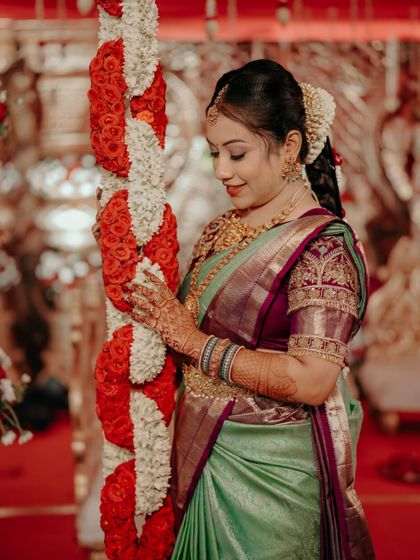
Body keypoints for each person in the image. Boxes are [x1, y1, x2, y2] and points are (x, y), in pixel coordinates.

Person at [127, 60, 374, 559]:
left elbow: (312, 380)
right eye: (215, 152)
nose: (221, 170)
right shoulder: (222, 228)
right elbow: (177, 324)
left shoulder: (322, 249)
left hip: (271, 483)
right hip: (202, 451)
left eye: (237, 154)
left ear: (290, 147)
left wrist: (193, 343)